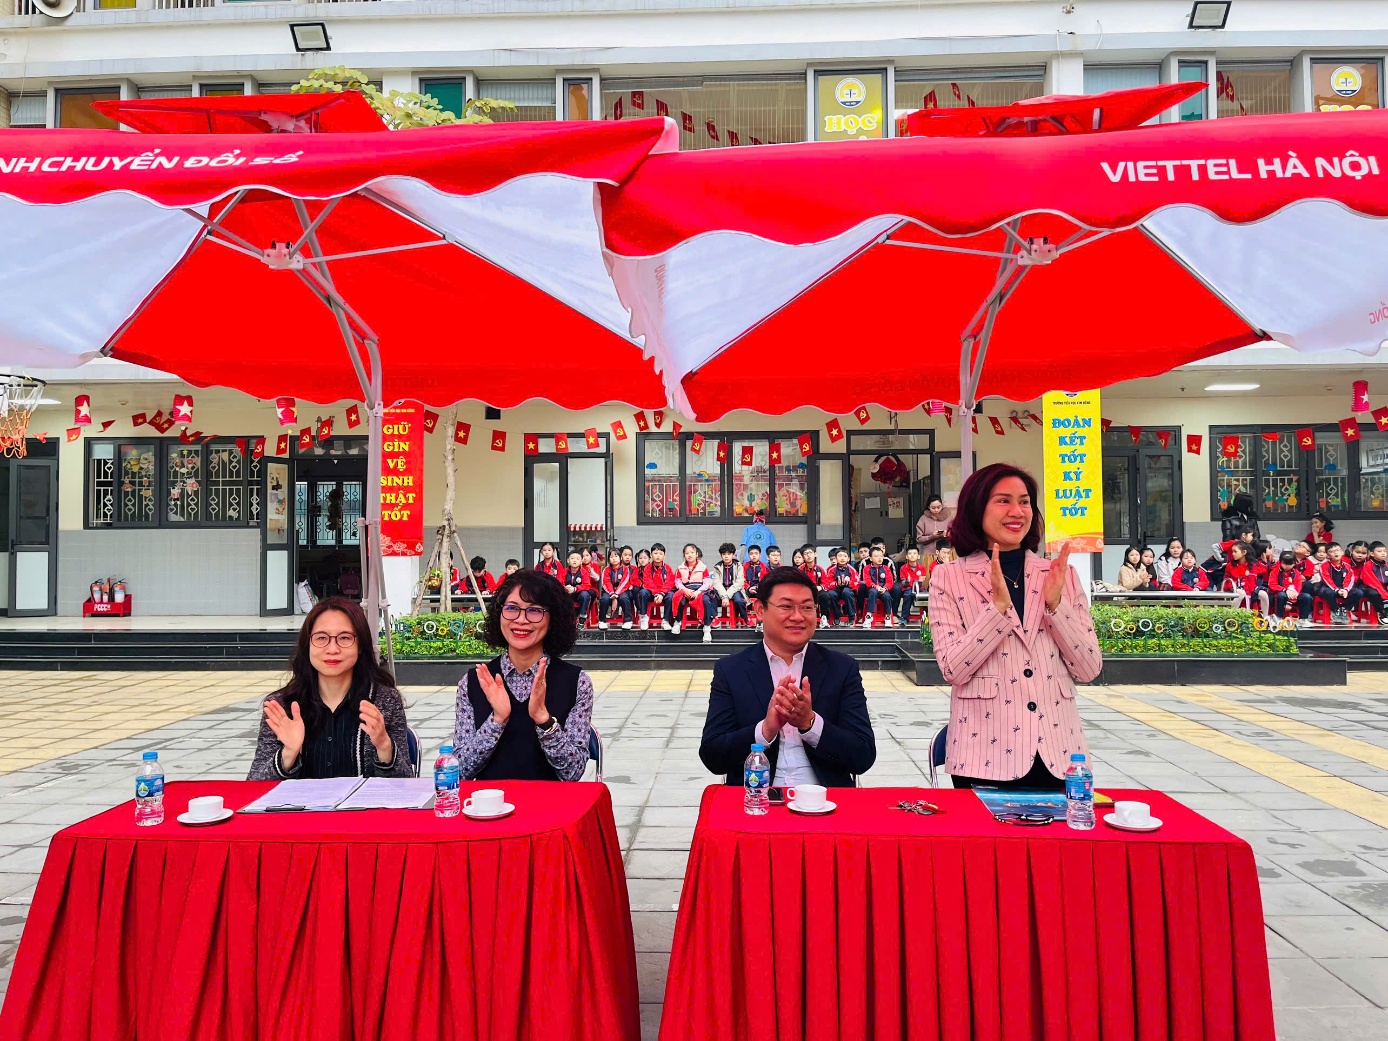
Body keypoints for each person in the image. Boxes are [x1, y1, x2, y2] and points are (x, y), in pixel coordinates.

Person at [928, 463, 1101, 791]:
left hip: (1060, 755)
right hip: (984, 756)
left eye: (1024, 501)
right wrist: (996, 612)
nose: (1017, 511)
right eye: (1003, 500)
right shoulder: (948, 578)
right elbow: (953, 668)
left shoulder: (1060, 575)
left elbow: (1089, 667)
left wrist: (1055, 605)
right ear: (977, 508)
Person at [699, 567, 877, 788]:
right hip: (755, 802)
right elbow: (712, 756)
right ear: (760, 609)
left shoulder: (841, 668)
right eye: (786, 606)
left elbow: (863, 755)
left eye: (807, 607)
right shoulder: (731, 670)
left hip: (824, 800)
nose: (798, 616)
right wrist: (765, 730)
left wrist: (810, 723)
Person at [453, 569, 595, 781]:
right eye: (511, 608)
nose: (521, 620)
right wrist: (497, 720)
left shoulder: (577, 683)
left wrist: (544, 721)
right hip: (488, 809)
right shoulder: (474, 682)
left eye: (534, 610)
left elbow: (572, 773)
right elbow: (460, 770)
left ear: (553, 618)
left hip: (552, 810)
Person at [249, 597, 413, 780]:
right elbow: (254, 785)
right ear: (308, 644)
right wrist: (288, 754)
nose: (332, 649)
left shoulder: (384, 700)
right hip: (298, 808)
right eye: (321, 638)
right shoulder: (281, 706)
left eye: (344, 638)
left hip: (362, 808)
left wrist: (384, 746)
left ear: (360, 646)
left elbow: (406, 785)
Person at [672, 543, 713, 640]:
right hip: (686, 590)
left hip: (700, 591)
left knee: (706, 601)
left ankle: (707, 628)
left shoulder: (703, 567)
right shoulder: (680, 568)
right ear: (684, 555)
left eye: (692, 552)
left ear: (697, 554)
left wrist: (698, 592)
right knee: (679, 599)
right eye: (687, 553)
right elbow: (677, 582)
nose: (689, 555)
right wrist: (684, 590)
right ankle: (678, 622)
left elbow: (707, 582)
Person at [708, 542, 750, 627]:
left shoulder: (738, 566)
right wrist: (724, 596)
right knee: (710, 597)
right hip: (721, 590)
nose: (726, 556)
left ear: (733, 555)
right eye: (724, 554)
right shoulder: (717, 567)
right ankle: (714, 618)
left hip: (735, 590)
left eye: (729, 554)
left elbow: (739, 582)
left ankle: (745, 617)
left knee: (739, 600)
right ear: (721, 555)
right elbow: (717, 583)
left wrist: (726, 596)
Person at [1268, 550, 1312, 626]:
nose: (1287, 566)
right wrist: (1285, 590)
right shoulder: (1274, 572)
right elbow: (1272, 585)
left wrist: (1290, 602)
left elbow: (1298, 588)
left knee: (1306, 597)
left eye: (1290, 564)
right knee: (1281, 595)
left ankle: (1303, 619)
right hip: (1277, 595)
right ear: (1280, 562)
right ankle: (1279, 618)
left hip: (1292, 596)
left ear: (1294, 563)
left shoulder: (1296, 573)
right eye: (1284, 563)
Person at [1317, 543, 1357, 624]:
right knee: (1328, 592)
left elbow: (1349, 579)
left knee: (1358, 592)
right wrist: (1337, 590)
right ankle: (1335, 609)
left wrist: (1346, 589)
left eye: (1337, 550)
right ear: (1328, 555)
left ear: (1342, 552)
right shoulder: (1324, 566)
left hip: (1343, 588)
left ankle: (1345, 609)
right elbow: (1326, 580)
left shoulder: (1347, 566)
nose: (1335, 553)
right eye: (1331, 551)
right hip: (1328, 588)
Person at [599, 548, 637, 630]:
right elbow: (605, 583)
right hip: (609, 591)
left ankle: (628, 621)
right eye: (611, 557)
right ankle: (602, 620)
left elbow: (624, 583)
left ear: (620, 558)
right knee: (604, 599)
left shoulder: (625, 569)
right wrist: (612, 593)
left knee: (624, 598)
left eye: (616, 556)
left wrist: (616, 595)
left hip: (621, 591)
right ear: (609, 559)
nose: (614, 558)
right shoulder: (606, 570)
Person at [860, 543, 896, 628]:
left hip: (883, 589)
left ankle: (887, 617)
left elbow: (890, 581)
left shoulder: (886, 568)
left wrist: (885, 588)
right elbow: (867, 581)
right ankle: (869, 616)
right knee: (873, 592)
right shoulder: (867, 568)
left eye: (881, 556)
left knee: (887, 596)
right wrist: (876, 586)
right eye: (876, 556)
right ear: (871, 558)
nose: (879, 558)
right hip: (872, 589)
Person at [643, 543, 677, 631]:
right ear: (651, 555)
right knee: (642, 593)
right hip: (652, 593)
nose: (658, 556)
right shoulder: (647, 568)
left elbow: (670, 582)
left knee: (671, 596)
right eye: (655, 553)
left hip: (664, 593)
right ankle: (644, 618)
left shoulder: (668, 568)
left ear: (664, 556)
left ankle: (665, 621)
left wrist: (661, 594)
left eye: (660, 554)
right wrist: (656, 594)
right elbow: (648, 582)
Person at [825, 547, 859, 626]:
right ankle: (837, 616)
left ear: (848, 558)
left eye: (844, 556)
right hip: (836, 590)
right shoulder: (831, 570)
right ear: (836, 559)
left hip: (848, 590)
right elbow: (828, 584)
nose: (842, 558)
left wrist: (848, 583)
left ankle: (851, 617)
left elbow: (857, 583)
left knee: (846, 592)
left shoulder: (852, 569)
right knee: (831, 594)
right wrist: (836, 584)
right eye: (840, 556)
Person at [562, 550, 595, 626]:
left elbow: (587, 585)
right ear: (568, 561)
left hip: (578, 595)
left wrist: (575, 589)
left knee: (585, 594)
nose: (574, 560)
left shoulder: (584, 572)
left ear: (581, 561)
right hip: (567, 594)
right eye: (572, 558)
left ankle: (582, 618)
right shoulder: (564, 572)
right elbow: (559, 582)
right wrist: (565, 588)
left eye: (577, 559)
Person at [897, 546, 928, 624]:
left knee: (927, 595)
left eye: (914, 553)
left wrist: (920, 582)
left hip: (919, 588)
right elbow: (903, 583)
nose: (912, 555)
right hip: (908, 588)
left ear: (918, 556)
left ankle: (927, 616)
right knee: (907, 595)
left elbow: (921, 582)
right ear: (906, 556)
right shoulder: (903, 568)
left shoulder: (922, 568)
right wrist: (907, 581)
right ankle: (904, 617)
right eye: (910, 553)